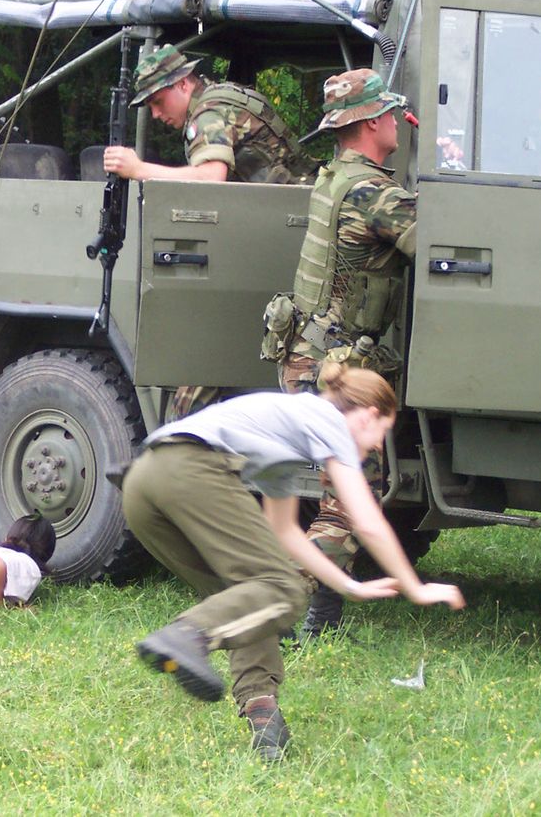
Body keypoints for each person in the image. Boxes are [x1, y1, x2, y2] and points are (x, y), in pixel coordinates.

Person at [122, 364, 465, 761]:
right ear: (369, 415)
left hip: (144, 483)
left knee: (249, 593)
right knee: (282, 588)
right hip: (188, 470)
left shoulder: (285, 435)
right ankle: (186, 637)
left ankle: (263, 717)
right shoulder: (327, 419)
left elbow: (285, 531)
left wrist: (348, 586)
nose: (375, 449)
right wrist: (415, 586)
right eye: (380, 435)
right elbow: (367, 520)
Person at [263, 68, 417, 638]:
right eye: (393, 114)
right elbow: (437, 241)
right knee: (350, 500)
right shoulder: (375, 193)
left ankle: (313, 616)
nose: (400, 121)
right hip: (336, 369)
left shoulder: (336, 178)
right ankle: (291, 611)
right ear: (374, 122)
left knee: (340, 494)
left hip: (308, 353)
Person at [103, 43, 317, 420]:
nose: (155, 114)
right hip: (290, 230)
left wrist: (137, 169)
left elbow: (209, 176)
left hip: (294, 232)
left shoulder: (208, 113)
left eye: (157, 100)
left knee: (203, 377)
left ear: (183, 84)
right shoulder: (220, 99)